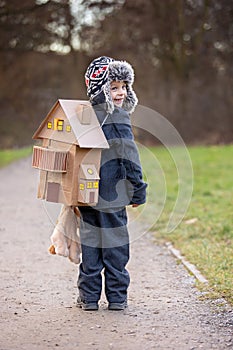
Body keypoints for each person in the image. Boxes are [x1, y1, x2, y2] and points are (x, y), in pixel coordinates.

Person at [77, 56, 147, 311]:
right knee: (115, 246)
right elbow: (129, 156)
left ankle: (89, 298)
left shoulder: (83, 116)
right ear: (100, 89)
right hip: (113, 195)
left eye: (124, 86)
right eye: (114, 87)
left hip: (86, 194)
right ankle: (117, 298)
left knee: (91, 246)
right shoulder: (118, 118)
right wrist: (138, 189)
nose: (121, 93)